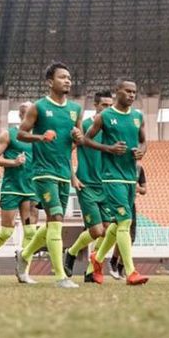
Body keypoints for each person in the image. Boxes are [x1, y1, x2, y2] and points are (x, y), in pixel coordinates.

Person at [15, 62, 82, 288]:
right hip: (43, 172)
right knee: (55, 220)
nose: (67, 81)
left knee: (54, 223)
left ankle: (24, 254)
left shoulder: (75, 109)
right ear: (50, 81)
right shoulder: (39, 107)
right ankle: (61, 277)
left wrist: (77, 136)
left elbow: (77, 140)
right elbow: (22, 134)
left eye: (69, 77)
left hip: (64, 172)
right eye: (62, 77)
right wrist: (40, 137)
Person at [82, 79, 149, 286]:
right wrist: (108, 149)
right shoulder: (105, 116)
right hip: (111, 177)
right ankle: (130, 272)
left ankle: (97, 258)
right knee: (125, 222)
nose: (131, 95)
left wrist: (141, 151)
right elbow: (86, 139)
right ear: (117, 92)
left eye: (134, 91)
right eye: (127, 91)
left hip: (130, 177)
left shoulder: (138, 117)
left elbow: (144, 141)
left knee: (117, 223)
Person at [0, 101, 36, 278]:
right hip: (12, 188)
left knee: (30, 231)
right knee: (6, 231)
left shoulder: (38, 138)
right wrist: (13, 162)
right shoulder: (9, 135)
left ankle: (24, 272)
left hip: (31, 190)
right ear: (21, 115)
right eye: (28, 114)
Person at [64, 90, 114, 281]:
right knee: (97, 231)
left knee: (110, 230)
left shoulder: (112, 128)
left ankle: (91, 271)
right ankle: (72, 252)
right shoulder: (84, 126)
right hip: (86, 185)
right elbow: (67, 150)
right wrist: (72, 177)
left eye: (111, 106)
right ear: (96, 105)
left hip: (107, 186)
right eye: (104, 105)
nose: (108, 109)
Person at [109, 163, 146, 279]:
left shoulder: (139, 169)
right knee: (122, 231)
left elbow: (144, 190)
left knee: (131, 238)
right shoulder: (120, 166)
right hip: (119, 202)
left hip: (131, 204)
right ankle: (114, 263)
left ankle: (119, 265)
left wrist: (138, 188)